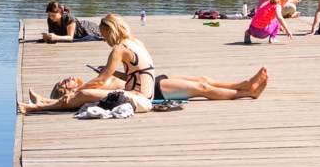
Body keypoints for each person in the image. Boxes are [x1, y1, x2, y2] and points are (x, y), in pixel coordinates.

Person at [18, 13, 268, 114]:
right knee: (202, 84)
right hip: (143, 89)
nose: (103, 39)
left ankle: (247, 90)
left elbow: (104, 79)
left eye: (104, 35)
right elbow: (123, 75)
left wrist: (76, 90)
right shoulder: (132, 41)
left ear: (111, 32)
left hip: (143, 95)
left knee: (203, 87)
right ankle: (246, 88)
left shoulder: (120, 48)